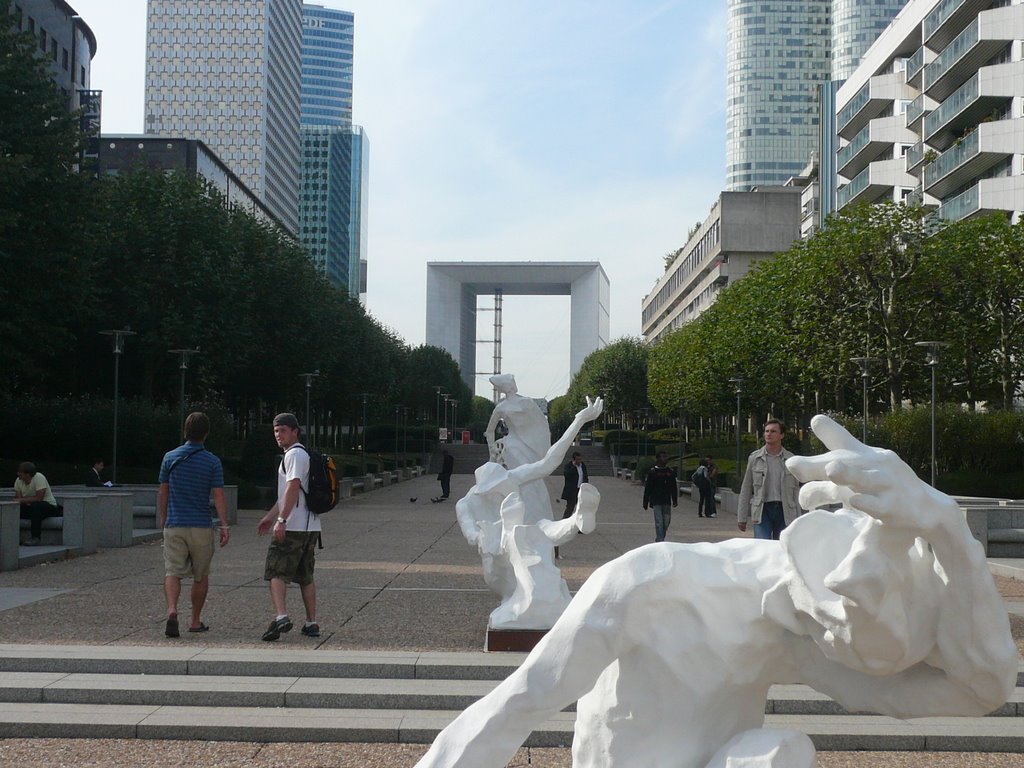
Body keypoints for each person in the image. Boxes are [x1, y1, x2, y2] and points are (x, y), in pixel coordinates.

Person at [414, 415, 1018, 768]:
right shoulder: (649, 583)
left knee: (782, 752)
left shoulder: (800, 635)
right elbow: (521, 700)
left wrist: (949, 530)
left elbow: (982, 690)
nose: (840, 655)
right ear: (818, 609)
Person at [455, 397, 603, 626]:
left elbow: (549, 462)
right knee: (518, 537)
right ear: (484, 491)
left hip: (517, 538)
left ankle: (577, 520)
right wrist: (483, 537)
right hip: (497, 562)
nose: (505, 491)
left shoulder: (510, 477)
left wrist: (580, 419)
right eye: (499, 490)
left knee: (540, 531)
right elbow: (471, 533)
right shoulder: (466, 504)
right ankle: (564, 524)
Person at [157, 412, 230, 637]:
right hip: (200, 525)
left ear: (185, 431)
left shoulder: (170, 457)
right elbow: (218, 495)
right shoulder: (212, 462)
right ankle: (195, 621)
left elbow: (163, 491)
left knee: (173, 571)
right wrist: (224, 525)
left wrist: (163, 517)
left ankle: (171, 611)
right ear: (206, 433)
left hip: (175, 523)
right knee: (201, 575)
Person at [257, 413, 321, 641]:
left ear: (295, 431)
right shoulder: (302, 455)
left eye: (283, 430)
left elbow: (293, 486)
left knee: (276, 571)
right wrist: (270, 516)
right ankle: (311, 622)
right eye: (276, 431)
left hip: (293, 525)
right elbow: (288, 492)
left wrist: (281, 520)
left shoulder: (294, 455)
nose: (278, 435)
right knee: (305, 575)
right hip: (310, 525)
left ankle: (281, 615)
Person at [737, 419, 801, 540]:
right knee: (762, 546)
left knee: (782, 547)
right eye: (766, 431)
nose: (768, 434)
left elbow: (796, 491)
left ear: (781, 435)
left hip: (785, 510)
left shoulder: (791, 460)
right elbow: (746, 488)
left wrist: (799, 518)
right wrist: (742, 517)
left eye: (773, 431)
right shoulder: (755, 458)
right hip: (762, 510)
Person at [13, 462, 59, 546]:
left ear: (27, 474)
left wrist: (23, 500)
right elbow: (18, 499)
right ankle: (13, 538)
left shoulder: (39, 477)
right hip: (30, 506)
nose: (18, 474)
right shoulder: (18, 481)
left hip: (48, 506)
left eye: (20, 472)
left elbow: (39, 498)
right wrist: (23, 501)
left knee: (36, 506)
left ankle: (35, 537)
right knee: (12, 508)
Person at [643, 451, 678, 541]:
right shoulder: (653, 472)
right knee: (659, 521)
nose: (665, 458)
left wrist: (674, 499)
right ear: (658, 459)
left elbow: (673, 487)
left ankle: (661, 536)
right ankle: (660, 539)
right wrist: (645, 501)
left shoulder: (669, 472)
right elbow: (648, 488)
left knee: (666, 521)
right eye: (663, 457)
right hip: (656, 500)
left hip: (666, 500)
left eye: (666, 457)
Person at [560, 452, 588, 518]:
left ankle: (579, 524)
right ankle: (564, 522)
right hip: (572, 491)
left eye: (580, 459)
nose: (579, 461)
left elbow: (585, 476)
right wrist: (573, 466)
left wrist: (586, 486)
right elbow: (567, 475)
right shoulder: (568, 466)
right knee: (570, 508)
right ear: (573, 460)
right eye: (577, 460)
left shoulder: (583, 465)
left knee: (581, 508)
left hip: (580, 490)